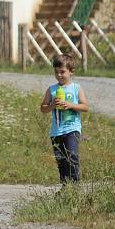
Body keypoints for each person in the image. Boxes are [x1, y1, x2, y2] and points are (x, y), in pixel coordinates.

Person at [39, 54, 90, 183]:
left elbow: (85, 107)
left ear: (71, 71)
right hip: (56, 131)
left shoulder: (76, 88)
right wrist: (52, 105)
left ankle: (75, 184)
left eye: (62, 72)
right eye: (56, 72)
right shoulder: (52, 89)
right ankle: (66, 186)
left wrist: (71, 105)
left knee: (72, 155)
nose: (59, 75)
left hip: (72, 129)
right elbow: (43, 108)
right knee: (61, 160)